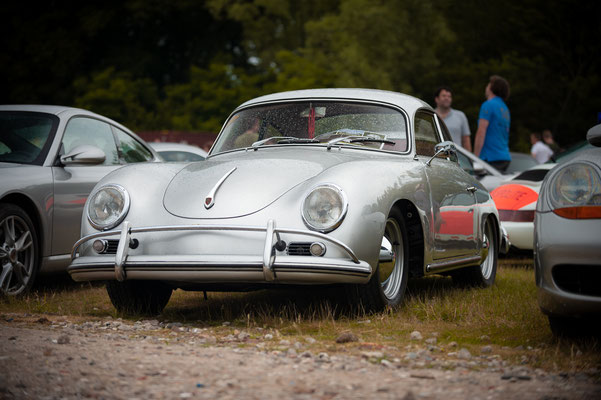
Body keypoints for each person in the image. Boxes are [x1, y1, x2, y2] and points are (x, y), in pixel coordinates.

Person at [473, 75, 511, 172]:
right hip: (504, 157)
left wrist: (474, 158)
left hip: (490, 157)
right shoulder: (505, 108)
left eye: (488, 84)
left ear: (492, 88)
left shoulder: (488, 105)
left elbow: (481, 132)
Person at [434, 86, 471, 151]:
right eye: (444, 96)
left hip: (457, 158)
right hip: (435, 158)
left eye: (449, 96)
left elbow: (466, 140)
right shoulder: (431, 116)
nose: (447, 98)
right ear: (437, 99)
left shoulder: (460, 116)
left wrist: (469, 160)